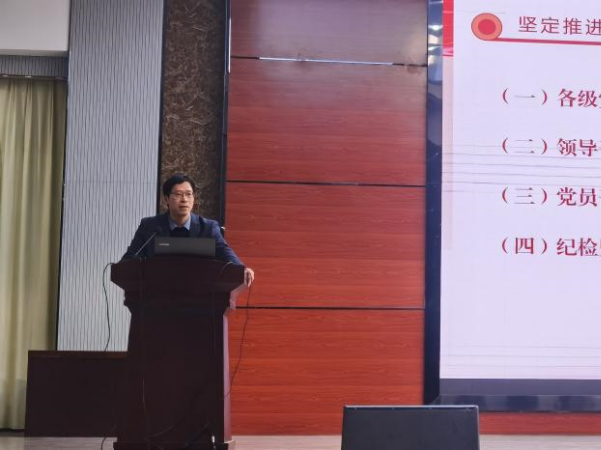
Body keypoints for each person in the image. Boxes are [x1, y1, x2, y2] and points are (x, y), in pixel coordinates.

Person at [121, 174, 254, 286]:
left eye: (188, 194)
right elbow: (130, 259)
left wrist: (241, 269)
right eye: (178, 194)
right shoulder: (150, 226)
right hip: (157, 296)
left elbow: (224, 252)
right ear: (166, 199)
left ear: (193, 198)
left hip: (200, 297)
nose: (184, 199)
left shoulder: (208, 228)